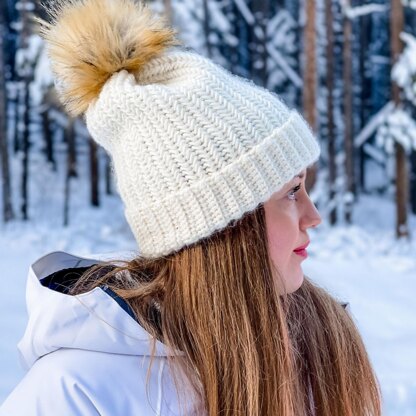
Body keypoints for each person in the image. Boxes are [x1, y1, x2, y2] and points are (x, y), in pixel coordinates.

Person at [0, 0, 381, 415]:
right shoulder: (75, 391)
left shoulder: (322, 348)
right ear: (220, 227)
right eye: (291, 192)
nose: (314, 216)